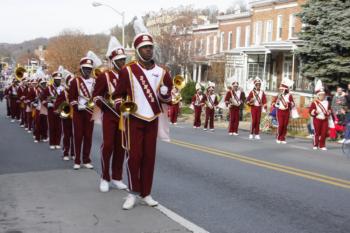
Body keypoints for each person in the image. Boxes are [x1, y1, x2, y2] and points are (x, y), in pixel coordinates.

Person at [112, 19, 173, 210]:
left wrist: (165, 94)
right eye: (145, 47)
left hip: (152, 119)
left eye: (150, 47)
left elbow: (169, 97)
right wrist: (124, 106)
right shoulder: (127, 71)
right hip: (134, 119)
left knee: (149, 158)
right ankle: (133, 193)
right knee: (134, 157)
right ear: (137, 49)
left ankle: (146, 193)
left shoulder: (162, 72)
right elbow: (117, 96)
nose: (149, 50)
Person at [92, 36, 127, 192]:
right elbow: (96, 96)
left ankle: (117, 177)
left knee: (121, 147)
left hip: (124, 116)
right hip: (110, 115)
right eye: (119, 60)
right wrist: (105, 103)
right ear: (112, 61)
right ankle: (104, 177)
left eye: (123, 59)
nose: (122, 62)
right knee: (108, 146)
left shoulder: (127, 75)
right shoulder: (104, 76)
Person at [69, 56, 96, 170]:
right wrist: (77, 105)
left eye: (89, 69)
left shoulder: (95, 81)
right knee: (78, 136)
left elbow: (97, 96)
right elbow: (71, 98)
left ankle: (86, 159)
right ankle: (77, 160)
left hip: (90, 112)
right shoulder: (75, 81)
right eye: (85, 68)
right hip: (78, 112)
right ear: (81, 69)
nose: (87, 71)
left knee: (88, 137)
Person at [55, 73, 75, 161]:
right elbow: (57, 104)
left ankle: (73, 153)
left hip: (75, 116)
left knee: (75, 135)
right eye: (70, 83)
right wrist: (63, 107)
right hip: (66, 116)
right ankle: (65, 152)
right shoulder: (63, 92)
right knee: (67, 135)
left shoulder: (77, 92)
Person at [42, 72, 63, 150]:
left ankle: (57, 142)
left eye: (59, 80)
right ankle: (52, 142)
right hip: (51, 109)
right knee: (51, 126)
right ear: (53, 80)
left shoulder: (62, 88)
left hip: (60, 109)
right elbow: (43, 98)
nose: (58, 81)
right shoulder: (48, 88)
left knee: (59, 127)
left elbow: (65, 99)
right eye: (57, 79)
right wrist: (47, 105)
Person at [309, 80, 331, 150]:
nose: (322, 96)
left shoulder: (327, 102)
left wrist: (328, 112)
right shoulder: (314, 103)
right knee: (317, 133)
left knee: (324, 133)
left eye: (323, 95)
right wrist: (315, 112)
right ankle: (315, 144)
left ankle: (322, 145)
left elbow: (330, 110)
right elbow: (310, 111)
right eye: (321, 95)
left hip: (325, 119)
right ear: (318, 95)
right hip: (317, 119)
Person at [271, 78, 295, 144]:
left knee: (285, 125)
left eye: (282, 89)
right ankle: (278, 137)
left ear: (285, 89)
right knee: (281, 125)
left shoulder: (289, 96)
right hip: (280, 111)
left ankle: (283, 138)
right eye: (280, 89)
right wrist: (276, 104)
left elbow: (293, 104)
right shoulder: (279, 95)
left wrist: (290, 104)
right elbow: (273, 103)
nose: (281, 90)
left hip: (287, 111)